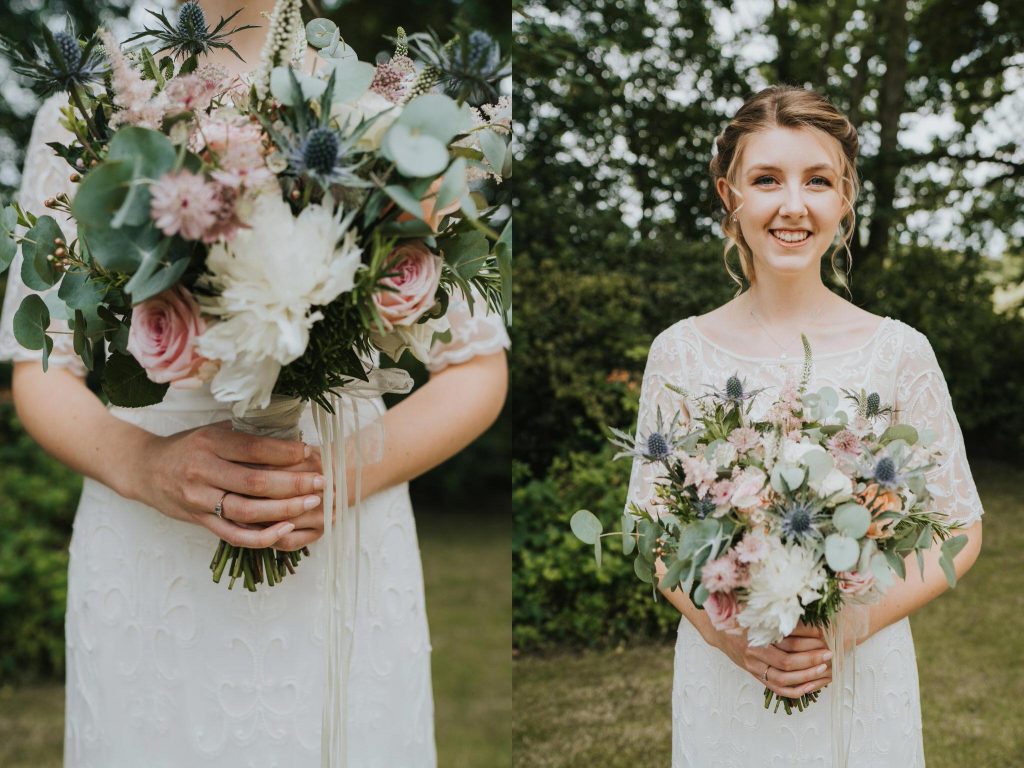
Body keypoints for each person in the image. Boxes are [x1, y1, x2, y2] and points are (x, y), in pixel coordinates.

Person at [0, 2, 509, 764]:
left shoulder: (381, 113)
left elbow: (477, 368)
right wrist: (143, 467)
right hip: (149, 547)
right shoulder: (87, 116)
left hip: (339, 533)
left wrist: (337, 472)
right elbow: (42, 370)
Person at [625, 85, 983, 767]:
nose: (794, 205)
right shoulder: (679, 351)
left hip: (859, 670)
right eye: (767, 180)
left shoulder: (899, 351)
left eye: (818, 180)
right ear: (730, 196)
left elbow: (961, 522)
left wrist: (849, 625)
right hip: (728, 673)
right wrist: (730, 636)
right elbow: (649, 528)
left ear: (843, 200)